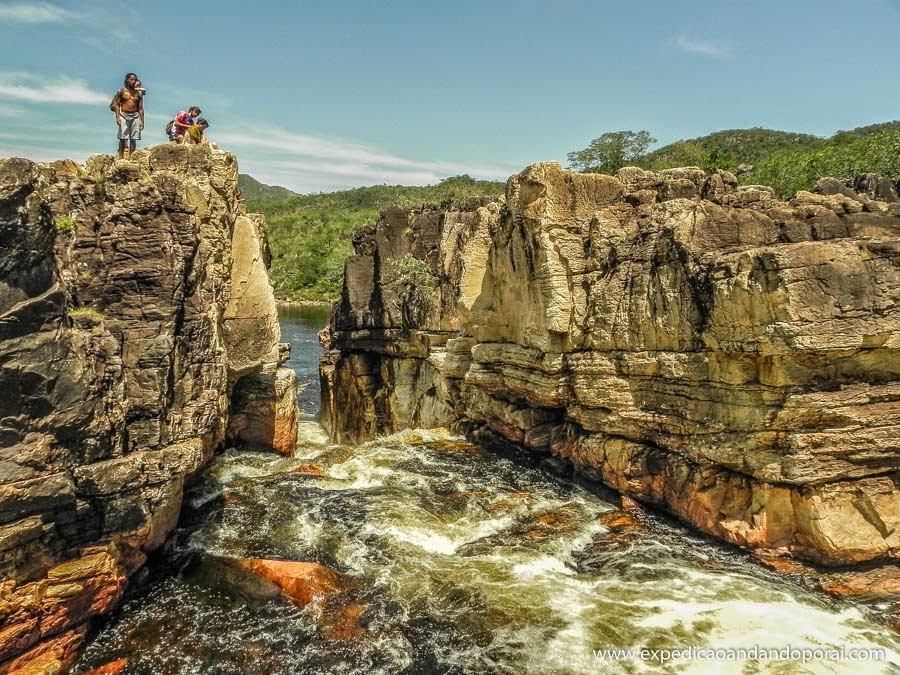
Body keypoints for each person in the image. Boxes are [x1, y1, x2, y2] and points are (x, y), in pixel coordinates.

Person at [113, 73, 144, 159]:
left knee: (134, 139)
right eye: (131, 79)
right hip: (124, 115)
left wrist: (142, 121)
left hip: (135, 116)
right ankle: (121, 157)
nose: (133, 81)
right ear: (127, 80)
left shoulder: (138, 94)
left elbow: (140, 108)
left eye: (134, 80)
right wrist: (117, 117)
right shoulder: (122, 92)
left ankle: (132, 158)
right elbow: (116, 105)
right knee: (123, 138)